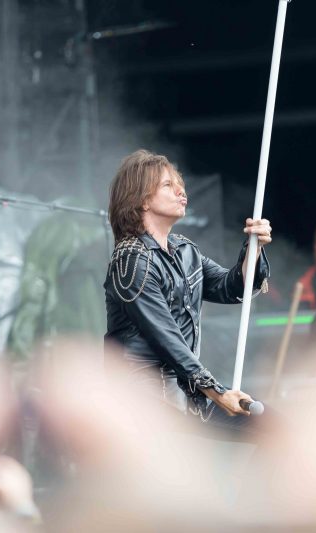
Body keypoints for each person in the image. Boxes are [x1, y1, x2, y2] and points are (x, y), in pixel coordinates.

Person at [103, 150, 271, 429]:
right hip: (140, 397)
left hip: (182, 391)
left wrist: (254, 249)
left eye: (179, 184)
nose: (181, 191)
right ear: (142, 199)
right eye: (168, 185)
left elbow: (233, 288)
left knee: (272, 427)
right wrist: (218, 393)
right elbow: (167, 339)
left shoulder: (184, 250)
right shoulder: (131, 259)